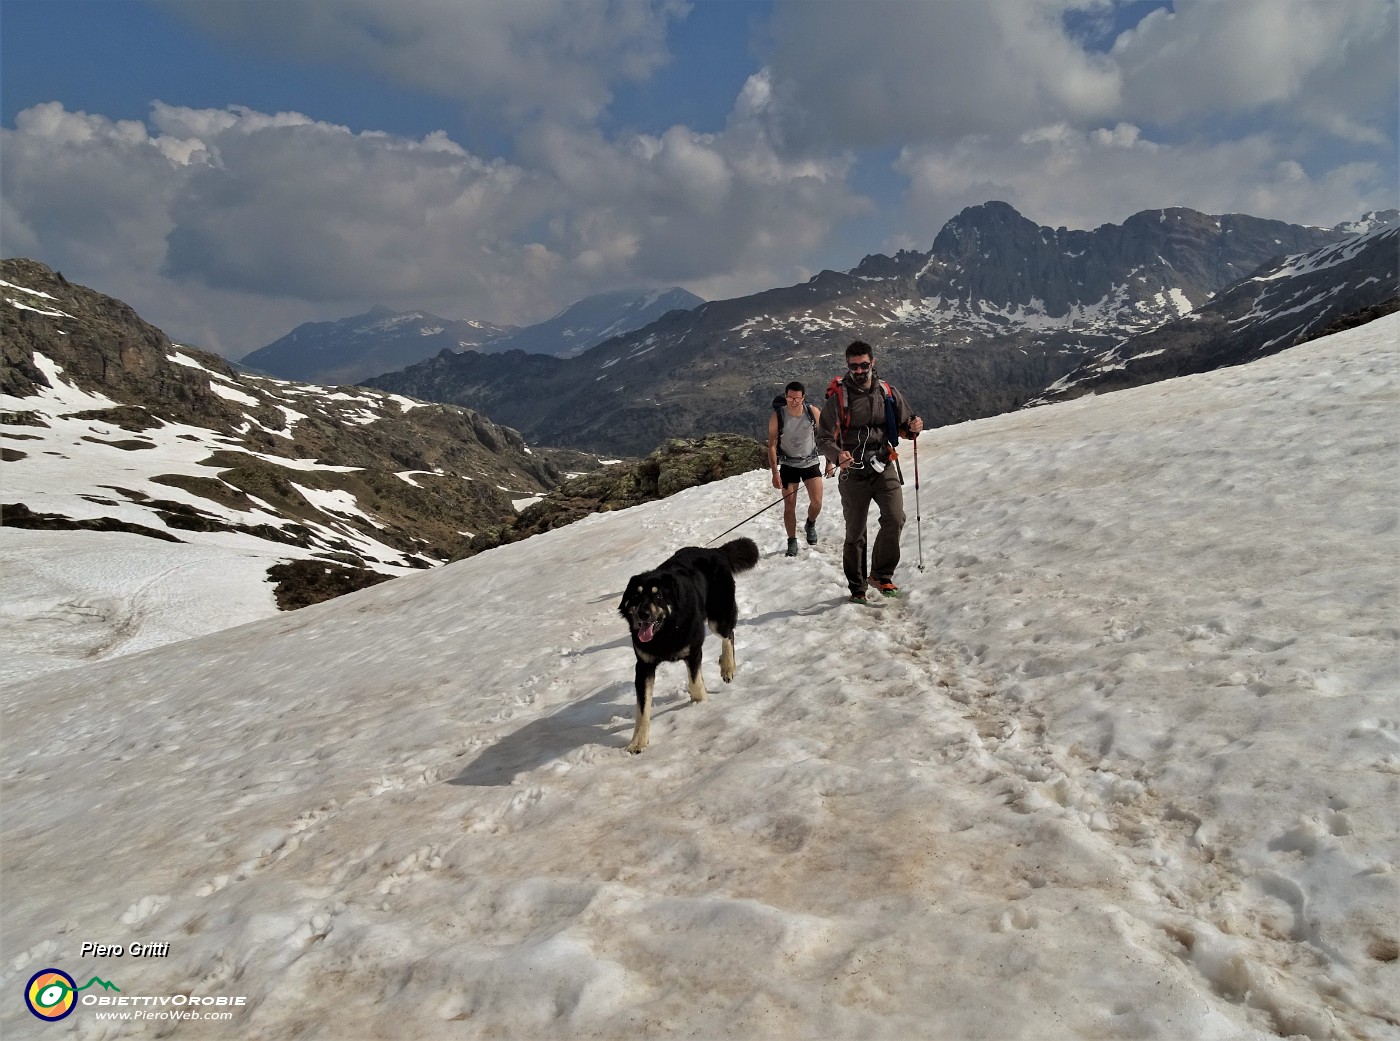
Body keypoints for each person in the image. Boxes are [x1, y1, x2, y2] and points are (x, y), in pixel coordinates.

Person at [816, 341, 924, 602]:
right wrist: (836, 455)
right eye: (854, 366)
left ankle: (880, 575)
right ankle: (857, 588)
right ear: (848, 367)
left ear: (872, 362)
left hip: (884, 463)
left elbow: (905, 426)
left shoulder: (887, 391)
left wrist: (915, 426)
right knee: (855, 531)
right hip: (852, 471)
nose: (860, 370)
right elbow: (823, 437)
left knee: (895, 518)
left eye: (864, 365)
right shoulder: (838, 399)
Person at [767, 381, 826, 557]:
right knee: (789, 506)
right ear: (786, 397)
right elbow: (771, 445)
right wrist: (775, 473)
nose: (793, 401)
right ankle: (792, 540)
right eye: (790, 397)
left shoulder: (812, 412)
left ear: (803, 398)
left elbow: (826, 436)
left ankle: (810, 523)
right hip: (788, 464)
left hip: (810, 461)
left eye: (797, 398)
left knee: (817, 502)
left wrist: (831, 460)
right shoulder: (778, 416)